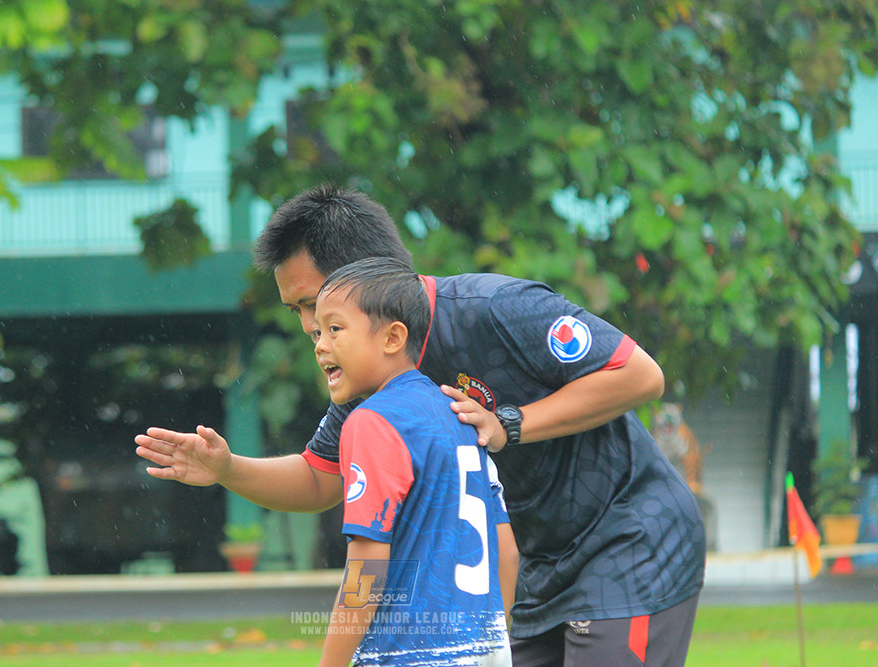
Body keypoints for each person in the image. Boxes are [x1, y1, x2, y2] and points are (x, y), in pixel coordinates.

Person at [135, 184, 706, 667]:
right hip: (535, 570)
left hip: (628, 539)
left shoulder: (495, 307)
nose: (312, 330)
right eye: (300, 315)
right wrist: (227, 468)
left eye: (315, 306)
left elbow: (640, 375)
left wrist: (511, 422)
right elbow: (318, 480)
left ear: (368, 279)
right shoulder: (371, 391)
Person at [314, 256, 510, 666]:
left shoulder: (373, 421)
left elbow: (367, 566)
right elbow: (505, 550)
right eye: (318, 331)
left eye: (334, 328)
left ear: (392, 338)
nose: (319, 344)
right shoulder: (461, 413)